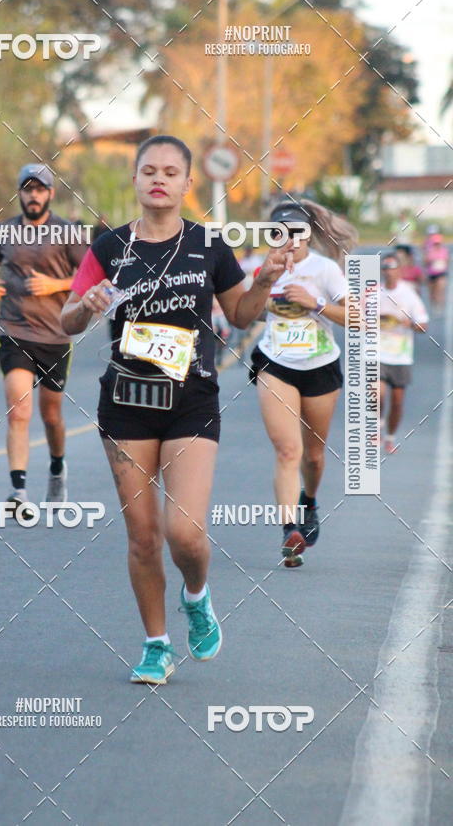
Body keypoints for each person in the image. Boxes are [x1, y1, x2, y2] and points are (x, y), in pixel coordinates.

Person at [61, 135, 293, 684]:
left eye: (170, 171)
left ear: (189, 183)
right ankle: (156, 645)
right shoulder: (109, 249)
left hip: (191, 400)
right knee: (143, 536)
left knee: (184, 533)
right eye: (148, 170)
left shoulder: (209, 246)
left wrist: (261, 282)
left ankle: (196, 595)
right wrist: (86, 306)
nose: (158, 178)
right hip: (127, 403)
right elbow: (67, 321)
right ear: (135, 181)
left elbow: (240, 316)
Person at [248, 199, 357, 568]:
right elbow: (240, 311)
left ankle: (308, 501)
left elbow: (358, 318)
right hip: (275, 364)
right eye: (280, 233)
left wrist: (316, 304)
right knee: (287, 451)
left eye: (297, 232)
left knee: (312, 455)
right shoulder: (261, 266)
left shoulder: (324, 270)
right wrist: (260, 285)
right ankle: (289, 531)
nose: (289, 240)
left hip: (320, 366)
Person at [0, 163, 87, 512]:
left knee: (51, 415)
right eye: (27, 189)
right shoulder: (5, 231)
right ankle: (20, 492)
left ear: (50, 194)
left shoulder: (68, 232)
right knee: (18, 410)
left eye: (39, 189)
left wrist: (56, 285)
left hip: (56, 334)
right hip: (14, 329)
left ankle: (57, 466)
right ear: (20, 194)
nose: (33, 195)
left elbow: (89, 276)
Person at [379, 253, 428, 454]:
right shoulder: (373, 293)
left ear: (399, 270)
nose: (389, 272)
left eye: (392, 268)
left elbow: (423, 325)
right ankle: (377, 424)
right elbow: (356, 317)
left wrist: (412, 324)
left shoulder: (409, 294)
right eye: (385, 268)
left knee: (397, 402)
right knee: (377, 393)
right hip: (376, 352)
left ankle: (390, 437)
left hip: (400, 355)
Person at [423, 228, 449, 311]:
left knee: (440, 289)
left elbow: (446, 261)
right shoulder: (430, 251)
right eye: (435, 243)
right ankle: (433, 307)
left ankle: (440, 307)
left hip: (441, 274)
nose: (437, 245)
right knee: (432, 292)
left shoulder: (444, 251)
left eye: (438, 243)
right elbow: (425, 262)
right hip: (431, 274)